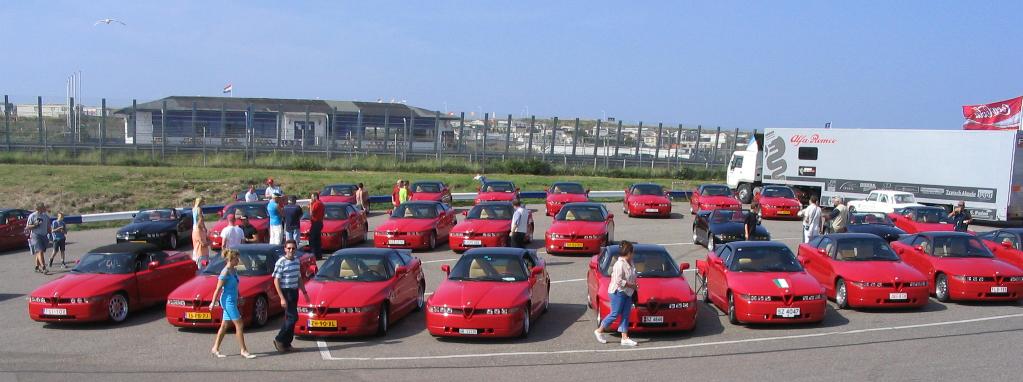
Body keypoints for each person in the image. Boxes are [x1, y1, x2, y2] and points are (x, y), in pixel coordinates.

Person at [209, 249, 256, 359]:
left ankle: (215, 348)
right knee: (239, 324)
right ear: (230, 259)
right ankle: (243, 350)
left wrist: (239, 297)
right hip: (227, 301)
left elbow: (235, 286)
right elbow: (218, 288)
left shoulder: (234, 270)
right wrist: (212, 302)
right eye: (236, 259)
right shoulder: (225, 272)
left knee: (225, 325)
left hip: (233, 299)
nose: (238, 260)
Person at [594, 240, 638, 347]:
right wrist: (631, 285)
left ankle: (624, 337)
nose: (633, 254)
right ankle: (599, 330)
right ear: (628, 253)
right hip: (618, 292)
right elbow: (618, 281)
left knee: (626, 314)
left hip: (628, 292)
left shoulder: (630, 262)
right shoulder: (619, 264)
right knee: (615, 313)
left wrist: (633, 286)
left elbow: (632, 275)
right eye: (632, 252)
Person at [272, 240, 309, 353]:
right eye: (289, 248)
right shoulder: (281, 262)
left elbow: (299, 278)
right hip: (286, 291)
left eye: (293, 248)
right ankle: (279, 339)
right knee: (292, 317)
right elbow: (276, 280)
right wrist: (282, 298)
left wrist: (304, 292)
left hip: (294, 291)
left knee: (292, 318)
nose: (291, 251)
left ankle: (287, 343)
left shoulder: (297, 261)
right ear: (285, 249)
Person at [27, 203, 51, 274]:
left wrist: (51, 235)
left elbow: (48, 227)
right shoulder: (32, 216)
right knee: (40, 251)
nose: (45, 208)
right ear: (39, 208)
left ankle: (37, 267)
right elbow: (28, 227)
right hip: (35, 235)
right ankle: (43, 267)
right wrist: (35, 225)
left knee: (40, 251)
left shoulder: (46, 216)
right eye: (43, 207)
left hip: (44, 235)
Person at [191, 197, 210, 267]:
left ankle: (197, 254)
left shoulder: (193, 208)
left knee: (196, 242)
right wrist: (204, 227)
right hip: (198, 226)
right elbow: (200, 218)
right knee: (202, 241)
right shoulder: (199, 209)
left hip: (194, 226)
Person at [308, 192, 324, 259]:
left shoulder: (316, 204)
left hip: (315, 222)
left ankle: (313, 255)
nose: (311, 199)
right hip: (319, 222)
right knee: (317, 239)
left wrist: (311, 205)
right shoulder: (321, 203)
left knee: (312, 240)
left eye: (312, 197)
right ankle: (318, 255)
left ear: (315, 197)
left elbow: (311, 213)